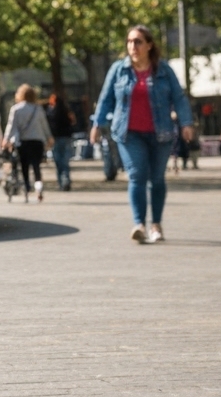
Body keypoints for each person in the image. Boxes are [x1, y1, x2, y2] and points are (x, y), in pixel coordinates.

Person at [91, 24, 193, 243]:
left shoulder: (164, 70)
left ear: (149, 45)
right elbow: (106, 98)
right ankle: (139, 224)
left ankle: (156, 224)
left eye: (137, 41)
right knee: (137, 174)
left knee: (156, 179)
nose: (132, 46)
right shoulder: (119, 69)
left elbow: (179, 97)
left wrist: (186, 122)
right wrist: (97, 124)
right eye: (129, 41)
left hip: (161, 133)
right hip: (128, 134)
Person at [3, 84, 53, 201]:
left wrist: (6, 139)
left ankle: (26, 188)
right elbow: (44, 125)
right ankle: (38, 187)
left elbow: (11, 126)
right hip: (37, 142)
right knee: (36, 166)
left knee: (24, 167)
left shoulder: (16, 109)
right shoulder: (38, 109)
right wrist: (49, 137)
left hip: (22, 142)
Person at [47, 92, 75, 191]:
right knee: (65, 161)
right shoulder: (67, 111)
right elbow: (73, 122)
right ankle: (66, 179)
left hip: (56, 138)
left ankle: (61, 182)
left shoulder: (51, 112)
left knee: (58, 162)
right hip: (66, 137)